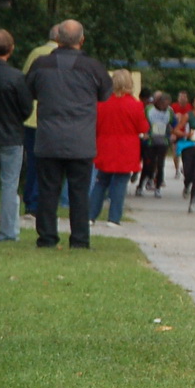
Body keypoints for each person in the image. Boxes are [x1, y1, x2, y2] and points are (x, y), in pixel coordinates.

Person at [26, 20, 115, 249]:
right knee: (79, 192)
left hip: (48, 137)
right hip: (81, 139)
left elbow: (29, 91)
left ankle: (46, 238)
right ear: (82, 40)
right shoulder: (93, 67)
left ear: (57, 39)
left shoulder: (40, 64)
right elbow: (105, 94)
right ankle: (80, 239)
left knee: (48, 191)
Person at [89, 69, 147, 225]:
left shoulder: (101, 103)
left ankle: (90, 215)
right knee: (120, 182)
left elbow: (95, 125)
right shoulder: (135, 105)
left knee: (101, 181)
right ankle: (114, 218)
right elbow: (143, 127)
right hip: (126, 148)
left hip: (105, 146)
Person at [0, 29, 32, 242]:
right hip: (10, 134)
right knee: (9, 184)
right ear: (11, 49)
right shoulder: (16, 77)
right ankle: (7, 232)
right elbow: (26, 109)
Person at [19, 28, 58, 215]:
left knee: (33, 162)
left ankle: (30, 201)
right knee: (50, 163)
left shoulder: (36, 53)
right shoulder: (65, 57)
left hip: (32, 117)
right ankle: (42, 200)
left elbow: (24, 80)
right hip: (53, 118)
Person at [141, 90, 173, 195]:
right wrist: (144, 132)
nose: (165, 106)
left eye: (167, 104)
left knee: (160, 165)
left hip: (163, 141)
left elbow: (175, 123)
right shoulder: (149, 109)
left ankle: (158, 187)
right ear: (158, 102)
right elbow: (142, 120)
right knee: (148, 163)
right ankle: (142, 183)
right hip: (150, 140)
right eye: (163, 104)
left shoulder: (169, 111)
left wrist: (174, 133)